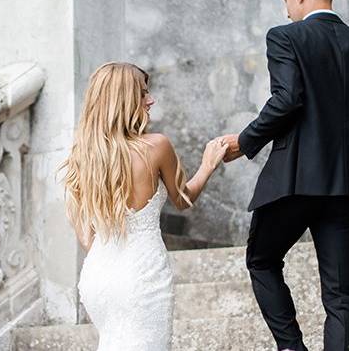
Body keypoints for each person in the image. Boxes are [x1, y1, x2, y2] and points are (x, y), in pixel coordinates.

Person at [220, 0, 349, 351]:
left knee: (262, 261)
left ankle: (291, 348)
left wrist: (244, 141)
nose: (286, 10)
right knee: (343, 297)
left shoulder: (285, 37)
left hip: (294, 182)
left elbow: (287, 100)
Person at [62, 62, 227, 351]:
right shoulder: (156, 146)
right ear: (122, 99)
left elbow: (86, 236)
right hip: (142, 275)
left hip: (99, 278)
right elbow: (183, 199)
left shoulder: (84, 158)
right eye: (142, 93)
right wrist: (208, 164)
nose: (150, 100)